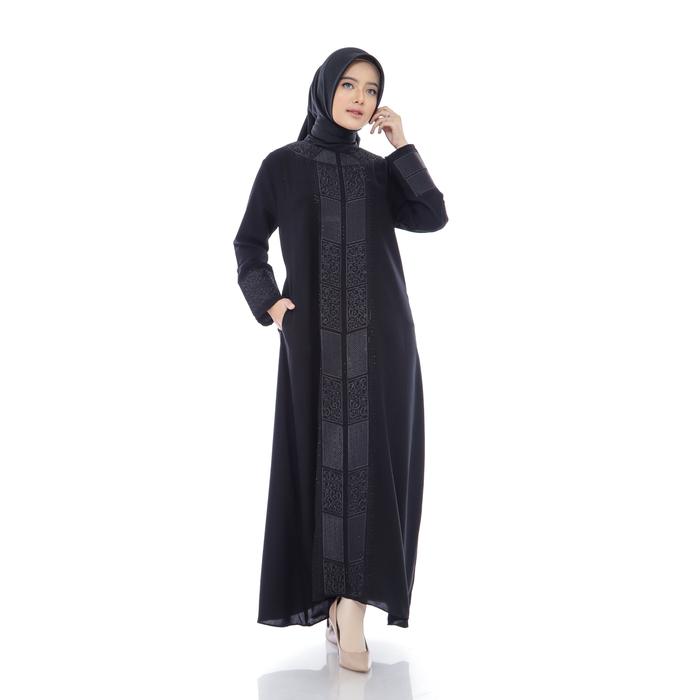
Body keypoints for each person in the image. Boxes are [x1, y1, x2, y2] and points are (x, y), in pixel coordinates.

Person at [233, 47, 448, 672]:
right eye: (349, 84)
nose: (360, 98)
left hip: (385, 343)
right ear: (324, 88)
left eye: (372, 90)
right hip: (313, 344)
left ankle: (353, 604)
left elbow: (432, 215)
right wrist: (272, 305)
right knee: (322, 463)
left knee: (375, 464)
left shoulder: (380, 172)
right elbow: (248, 243)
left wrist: (401, 144)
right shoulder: (282, 165)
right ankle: (333, 600)